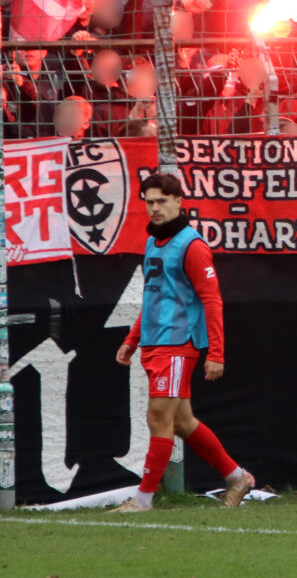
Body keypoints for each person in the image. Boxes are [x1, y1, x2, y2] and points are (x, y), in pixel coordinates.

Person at [112, 173, 253, 511]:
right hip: (155, 344)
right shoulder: (153, 242)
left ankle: (143, 500)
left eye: (162, 201)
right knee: (181, 422)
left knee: (158, 419)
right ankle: (238, 478)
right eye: (149, 202)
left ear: (179, 202)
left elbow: (213, 300)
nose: (155, 208)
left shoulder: (193, 246)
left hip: (177, 345)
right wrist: (133, 339)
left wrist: (215, 353)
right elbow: (153, 297)